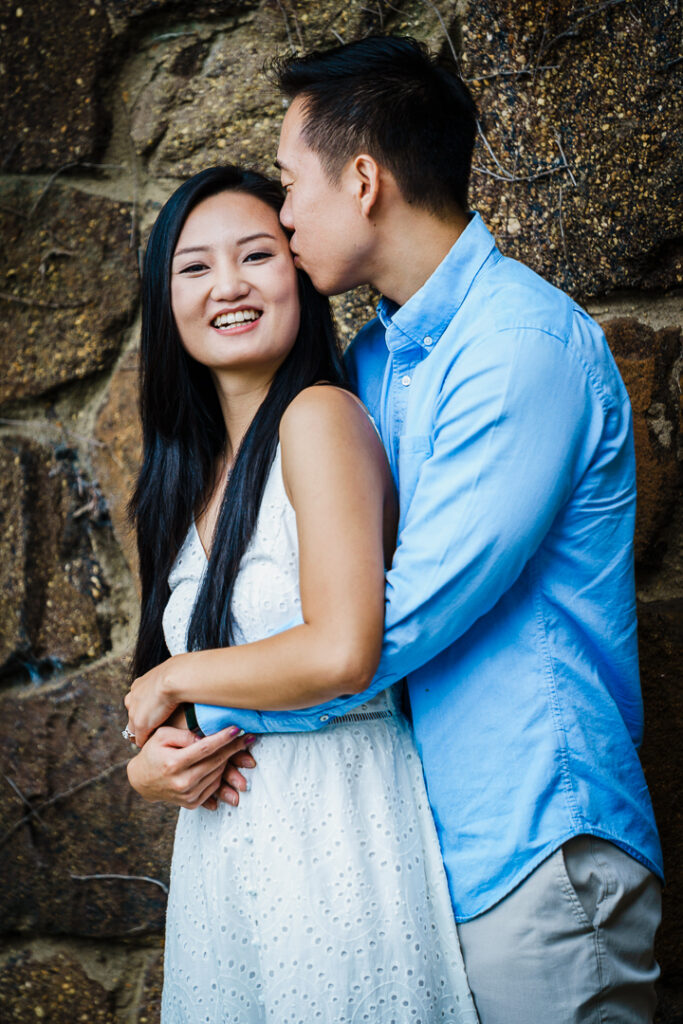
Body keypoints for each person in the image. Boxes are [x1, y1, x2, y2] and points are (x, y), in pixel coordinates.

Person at [133, 36, 664, 1023]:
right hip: (423, 845)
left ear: (363, 179)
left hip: (531, 842)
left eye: (289, 187)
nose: (283, 218)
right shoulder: (376, 360)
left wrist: (190, 704)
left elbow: (388, 623)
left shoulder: (518, 348)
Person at [124, 164, 479, 1023]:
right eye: (195, 267)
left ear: (300, 276)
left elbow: (342, 649)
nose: (229, 286)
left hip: (335, 826)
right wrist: (149, 768)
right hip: (222, 856)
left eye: (256, 255)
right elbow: (155, 703)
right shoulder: (177, 479)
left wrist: (179, 678)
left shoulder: (319, 418)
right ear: (163, 302)